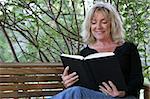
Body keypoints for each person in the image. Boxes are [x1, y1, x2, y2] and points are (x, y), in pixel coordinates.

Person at [52, 2, 143, 99]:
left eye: (104, 22)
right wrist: (68, 83)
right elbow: (83, 88)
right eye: (94, 22)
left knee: (76, 91)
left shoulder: (128, 48)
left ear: (112, 24)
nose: (98, 27)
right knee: (76, 91)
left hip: (124, 98)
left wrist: (122, 93)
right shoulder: (84, 55)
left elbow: (137, 80)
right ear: (89, 26)